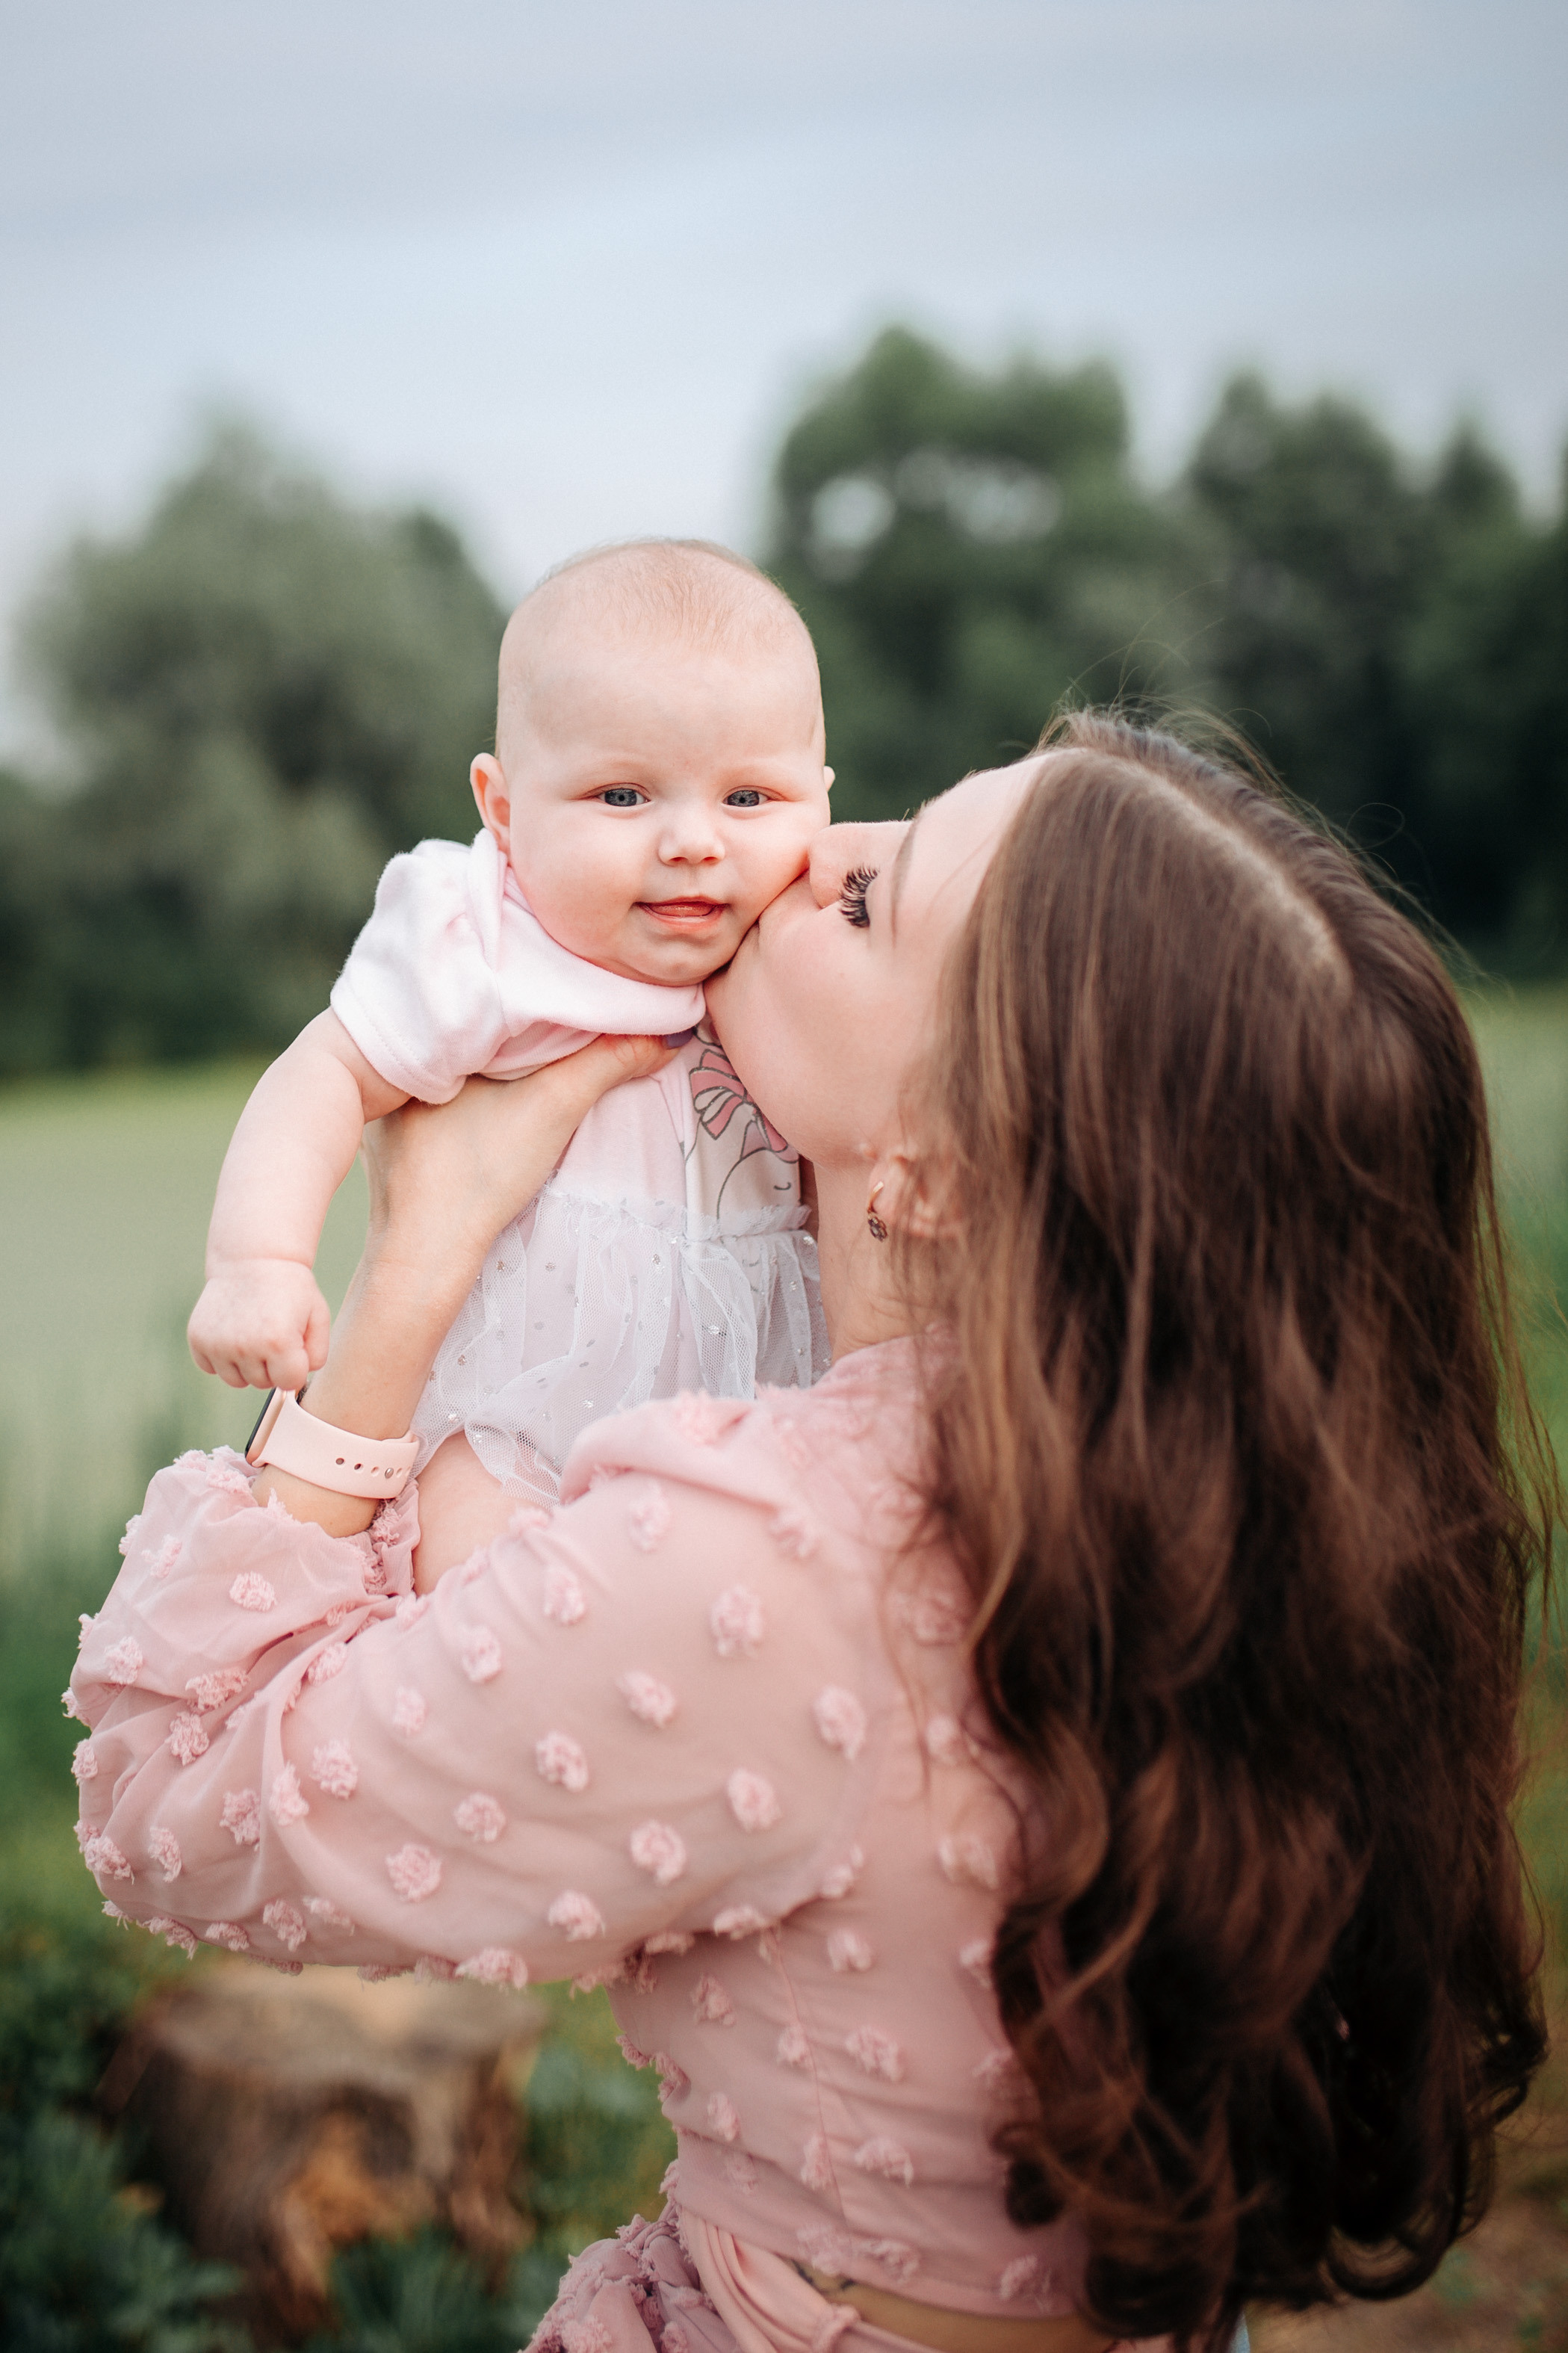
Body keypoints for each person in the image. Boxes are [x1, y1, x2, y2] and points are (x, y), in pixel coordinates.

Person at [73, 714, 1551, 2352]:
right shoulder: (1232, 1498)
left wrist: (412, 1274)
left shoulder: (764, 1553)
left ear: (937, 1163)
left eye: (870, 903)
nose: (801, 855)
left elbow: (176, 1799)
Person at [186, 539, 833, 1566]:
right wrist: (257, 1263)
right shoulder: (484, 939)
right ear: (502, 808)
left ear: (823, 797)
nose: (694, 841)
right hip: (515, 1425)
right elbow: (322, 1075)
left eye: (749, 798)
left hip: (753, 1411)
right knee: (479, 1609)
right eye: (624, 796)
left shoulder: (811, 946)